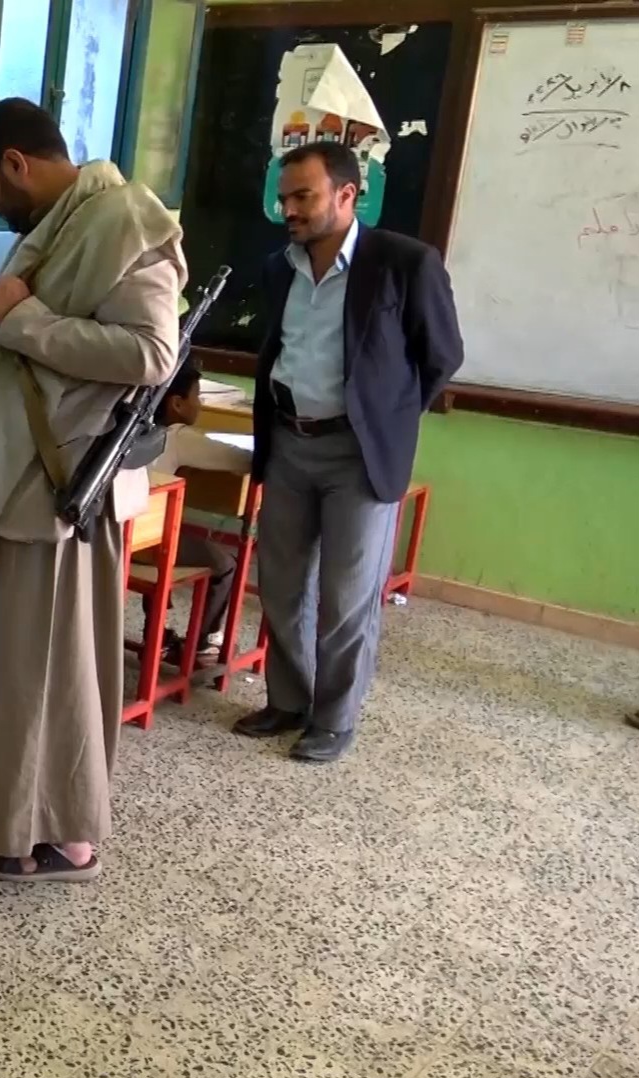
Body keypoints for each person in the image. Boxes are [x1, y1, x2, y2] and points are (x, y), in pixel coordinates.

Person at [0, 99, 184, 882]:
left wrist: (23, 321)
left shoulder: (124, 221)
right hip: (1, 479)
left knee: (40, 672)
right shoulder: (58, 223)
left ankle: (46, 833)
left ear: (17, 164)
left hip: (53, 490)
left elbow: (151, 355)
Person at [235, 140, 463, 763]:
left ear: (346, 194)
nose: (289, 210)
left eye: (303, 197)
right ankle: (289, 700)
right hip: (289, 442)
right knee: (281, 584)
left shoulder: (404, 263)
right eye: (283, 198)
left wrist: (384, 419)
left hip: (358, 454)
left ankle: (334, 719)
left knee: (347, 595)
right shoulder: (280, 267)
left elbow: (441, 356)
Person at [147, 362, 251, 665]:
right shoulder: (178, 436)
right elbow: (243, 460)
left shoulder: (135, 429)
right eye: (197, 396)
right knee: (225, 564)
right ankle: (203, 644)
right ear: (177, 404)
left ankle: (156, 633)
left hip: (126, 537)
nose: (201, 404)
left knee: (162, 533)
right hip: (151, 548)